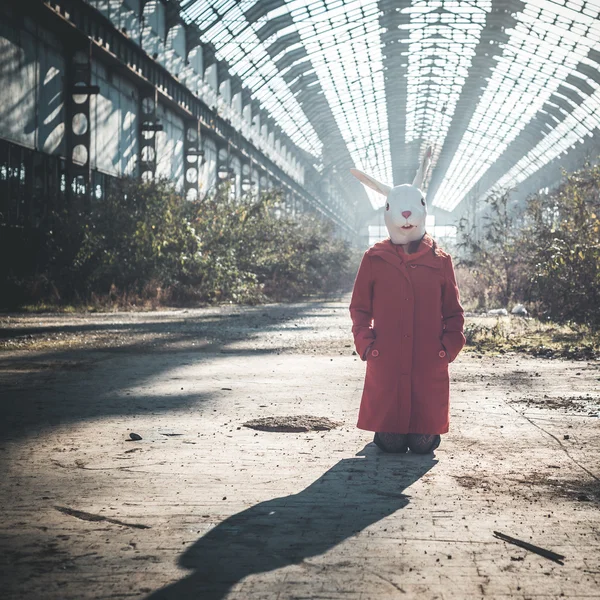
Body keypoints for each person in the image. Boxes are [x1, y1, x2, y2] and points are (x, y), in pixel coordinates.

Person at [349, 148, 465, 454]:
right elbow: (359, 309)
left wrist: (447, 350)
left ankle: (423, 432)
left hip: (428, 361)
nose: (405, 216)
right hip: (385, 359)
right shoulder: (374, 259)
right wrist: (367, 346)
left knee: (423, 444)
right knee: (391, 444)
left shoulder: (441, 260)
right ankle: (388, 431)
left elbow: (454, 313)